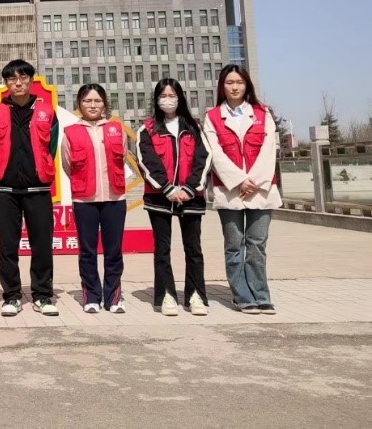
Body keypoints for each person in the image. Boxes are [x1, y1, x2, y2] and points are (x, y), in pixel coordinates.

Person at [203, 64, 281, 315]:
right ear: (222, 86)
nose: (235, 87)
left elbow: (269, 150)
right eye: (229, 83)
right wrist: (238, 181)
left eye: (239, 82)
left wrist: (253, 181)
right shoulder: (212, 116)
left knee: (257, 244)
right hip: (230, 191)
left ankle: (261, 295)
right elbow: (214, 153)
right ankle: (242, 296)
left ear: (247, 85)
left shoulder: (262, 113)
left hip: (260, 189)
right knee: (234, 245)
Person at [0, 60, 60, 317]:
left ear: (31, 80)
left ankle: (42, 295)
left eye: (23, 77)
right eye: (12, 79)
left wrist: (40, 171)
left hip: (38, 189)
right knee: (8, 246)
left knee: (42, 245)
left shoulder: (47, 112)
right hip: (6, 190)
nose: (17, 83)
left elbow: (51, 147)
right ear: (6, 83)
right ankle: (12, 296)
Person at [136, 78, 212, 317]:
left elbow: (204, 158)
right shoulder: (147, 129)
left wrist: (189, 188)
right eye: (163, 96)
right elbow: (146, 161)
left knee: (194, 248)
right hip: (159, 197)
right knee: (162, 248)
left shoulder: (194, 128)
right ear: (156, 100)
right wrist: (167, 188)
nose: (167, 100)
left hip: (191, 197)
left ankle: (195, 295)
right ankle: (166, 295)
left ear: (180, 98)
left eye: (172, 95)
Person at [62, 83, 127, 314]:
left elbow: (122, 159)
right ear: (79, 104)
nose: (92, 105)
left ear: (104, 103)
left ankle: (113, 297)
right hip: (84, 200)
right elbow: (68, 165)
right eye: (87, 101)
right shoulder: (70, 132)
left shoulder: (116, 129)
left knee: (113, 250)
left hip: (114, 197)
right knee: (87, 251)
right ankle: (91, 295)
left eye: (97, 101)